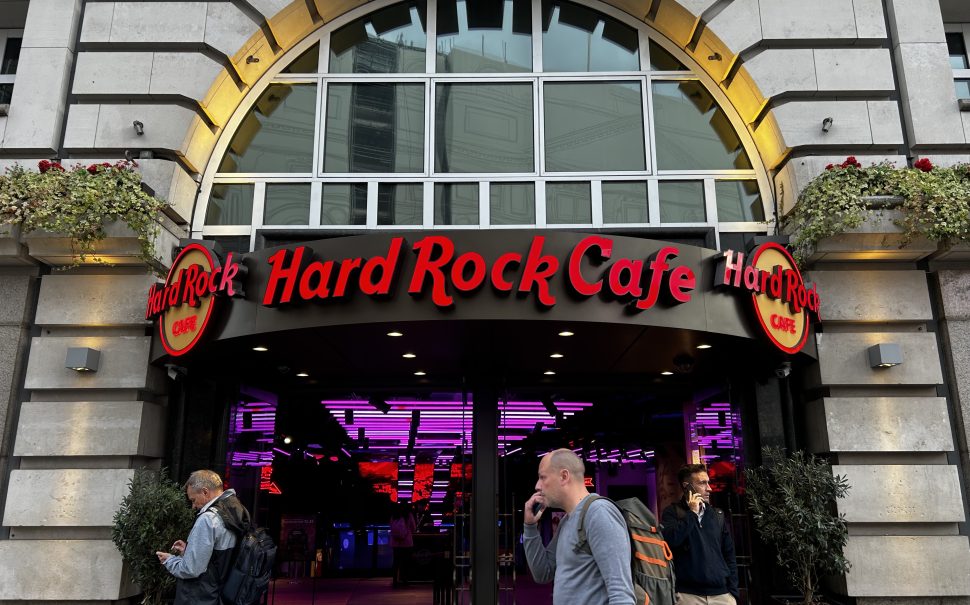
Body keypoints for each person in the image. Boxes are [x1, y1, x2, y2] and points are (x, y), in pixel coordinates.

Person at [523, 448, 635, 605]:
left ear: (564, 476)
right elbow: (543, 573)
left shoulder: (599, 513)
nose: (537, 485)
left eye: (542, 477)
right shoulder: (567, 521)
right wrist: (530, 526)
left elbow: (622, 596)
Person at [156, 470, 251, 605]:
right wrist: (190, 550)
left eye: (193, 500)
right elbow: (220, 556)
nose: (194, 506)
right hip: (220, 594)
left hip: (199, 596)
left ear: (205, 492)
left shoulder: (208, 518)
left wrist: (169, 560)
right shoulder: (237, 510)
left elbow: (191, 569)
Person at [661, 463, 738, 605]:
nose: (709, 488)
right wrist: (692, 513)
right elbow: (671, 541)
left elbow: (729, 556)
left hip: (722, 596)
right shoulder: (672, 513)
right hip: (688, 596)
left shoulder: (717, 515)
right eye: (703, 483)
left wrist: (733, 593)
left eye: (708, 483)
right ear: (687, 486)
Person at [389, 501, 417, 587]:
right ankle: (404, 580)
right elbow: (413, 528)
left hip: (396, 543)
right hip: (407, 543)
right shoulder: (408, 515)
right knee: (405, 562)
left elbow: (391, 526)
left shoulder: (394, 515)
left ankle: (394, 580)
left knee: (396, 562)